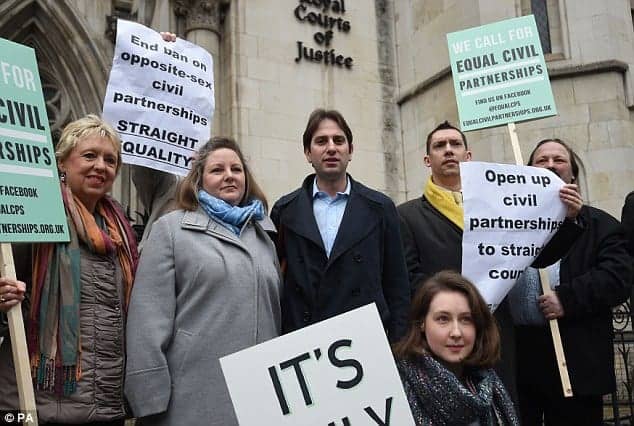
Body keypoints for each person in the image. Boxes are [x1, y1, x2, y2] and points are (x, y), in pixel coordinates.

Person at [397, 121, 582, 399]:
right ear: (427, 159)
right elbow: (409, 276)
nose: (448, 151)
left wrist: (567, 219)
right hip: (441, 336)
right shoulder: (406, 216)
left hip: (495, 332)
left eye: (455, 145)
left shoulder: (500, 205)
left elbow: (535, 255)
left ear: (468, 156)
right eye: (439, 146)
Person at [125, 137, 281, 426]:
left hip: (258, 396)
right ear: (199, 180)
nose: (229, 175)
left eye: (236, 169)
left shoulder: (264, 237)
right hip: (190, 395)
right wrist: (148, 396)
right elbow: (146, 320)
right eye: (217, 170)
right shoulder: (171, 230)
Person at [0, 115, 139, 425]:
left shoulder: (122, 232)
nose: (100, 166)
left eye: (110, 160)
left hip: (106, 405)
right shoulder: (35, 216)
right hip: (35, 404)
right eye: (89, 155)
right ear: (61, 162)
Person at [508, 138, 633, 425]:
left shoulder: (600, 225)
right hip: (521, 355)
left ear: (573, 174)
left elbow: (617, 278)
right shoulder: (512, 225)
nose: (551, 165)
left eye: (559, 159)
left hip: (576, 358)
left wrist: (568, 299)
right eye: (542, 160)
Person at [270, 108, 410, 342]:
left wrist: (398, 349)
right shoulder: (285, 211)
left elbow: (398, 288)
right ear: (308, 153)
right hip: (303, 342)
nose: (331, 148)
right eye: (321, 141)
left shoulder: (380, 208)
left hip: (366, 341)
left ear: (350, 150)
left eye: (339, 140)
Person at [394, 271, 519, 426]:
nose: (456, 333)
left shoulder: (490, 386)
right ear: (422, 323)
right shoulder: (396, 389)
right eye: (443, 319)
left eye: (466, 319)